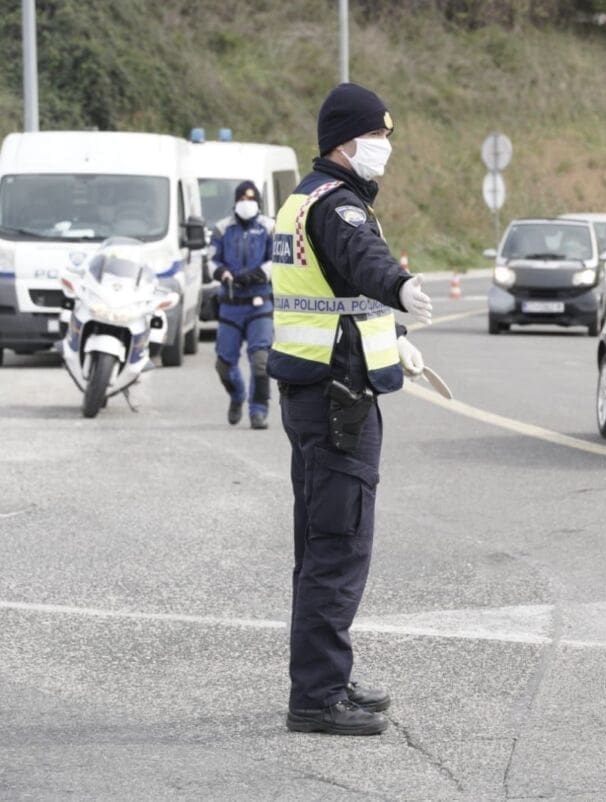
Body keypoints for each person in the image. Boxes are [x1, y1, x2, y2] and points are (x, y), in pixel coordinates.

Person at [268, 82, 433, 736]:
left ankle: (325, 678)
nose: (385, 148)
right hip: (337, 399)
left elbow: (331, 297)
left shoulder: (301, 200)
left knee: (320, 543)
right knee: (338, 545)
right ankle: (316, 698)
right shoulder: (338, 208)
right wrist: (400, 285)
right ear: (346, 140)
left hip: (317, 389)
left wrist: (393, 336)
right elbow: (362, 262)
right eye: (378, 136)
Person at [210, 181, 275, 429]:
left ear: (258, 202)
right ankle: (237, 396)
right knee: (223, 364)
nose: (246, 203)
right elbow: (211, 261)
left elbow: (278, 260)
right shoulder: (222, 229)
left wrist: (256, 274)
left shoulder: (269, 227)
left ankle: (258, 411)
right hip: (230, 304)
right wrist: (223, 272)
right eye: (242, 199)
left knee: (260, 360)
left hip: (260, 303)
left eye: (251, 199)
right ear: (236, 201)